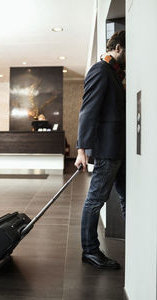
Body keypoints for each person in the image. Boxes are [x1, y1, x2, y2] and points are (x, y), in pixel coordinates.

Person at [75, 31, 126, 269]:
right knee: (95, 200)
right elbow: (87, 112)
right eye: (128, 50)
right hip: (107, 149)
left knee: (128, 198)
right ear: (117, 47)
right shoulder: (100, 70)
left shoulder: (115, 73)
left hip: (119, 148)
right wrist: (81, 150)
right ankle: (90, 250)